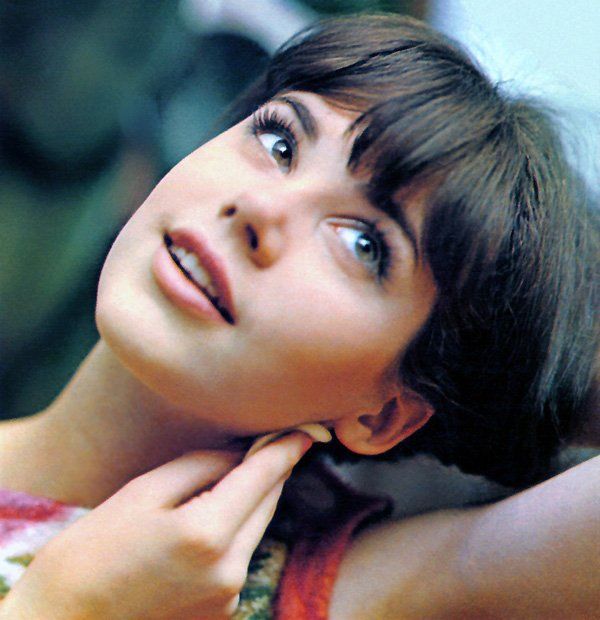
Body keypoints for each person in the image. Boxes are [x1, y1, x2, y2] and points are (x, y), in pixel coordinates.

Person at [0, 13, 597, 619]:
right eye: (279, 142)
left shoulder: (296, 593)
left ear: (387, 414)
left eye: (364, 243)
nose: (260, 208)